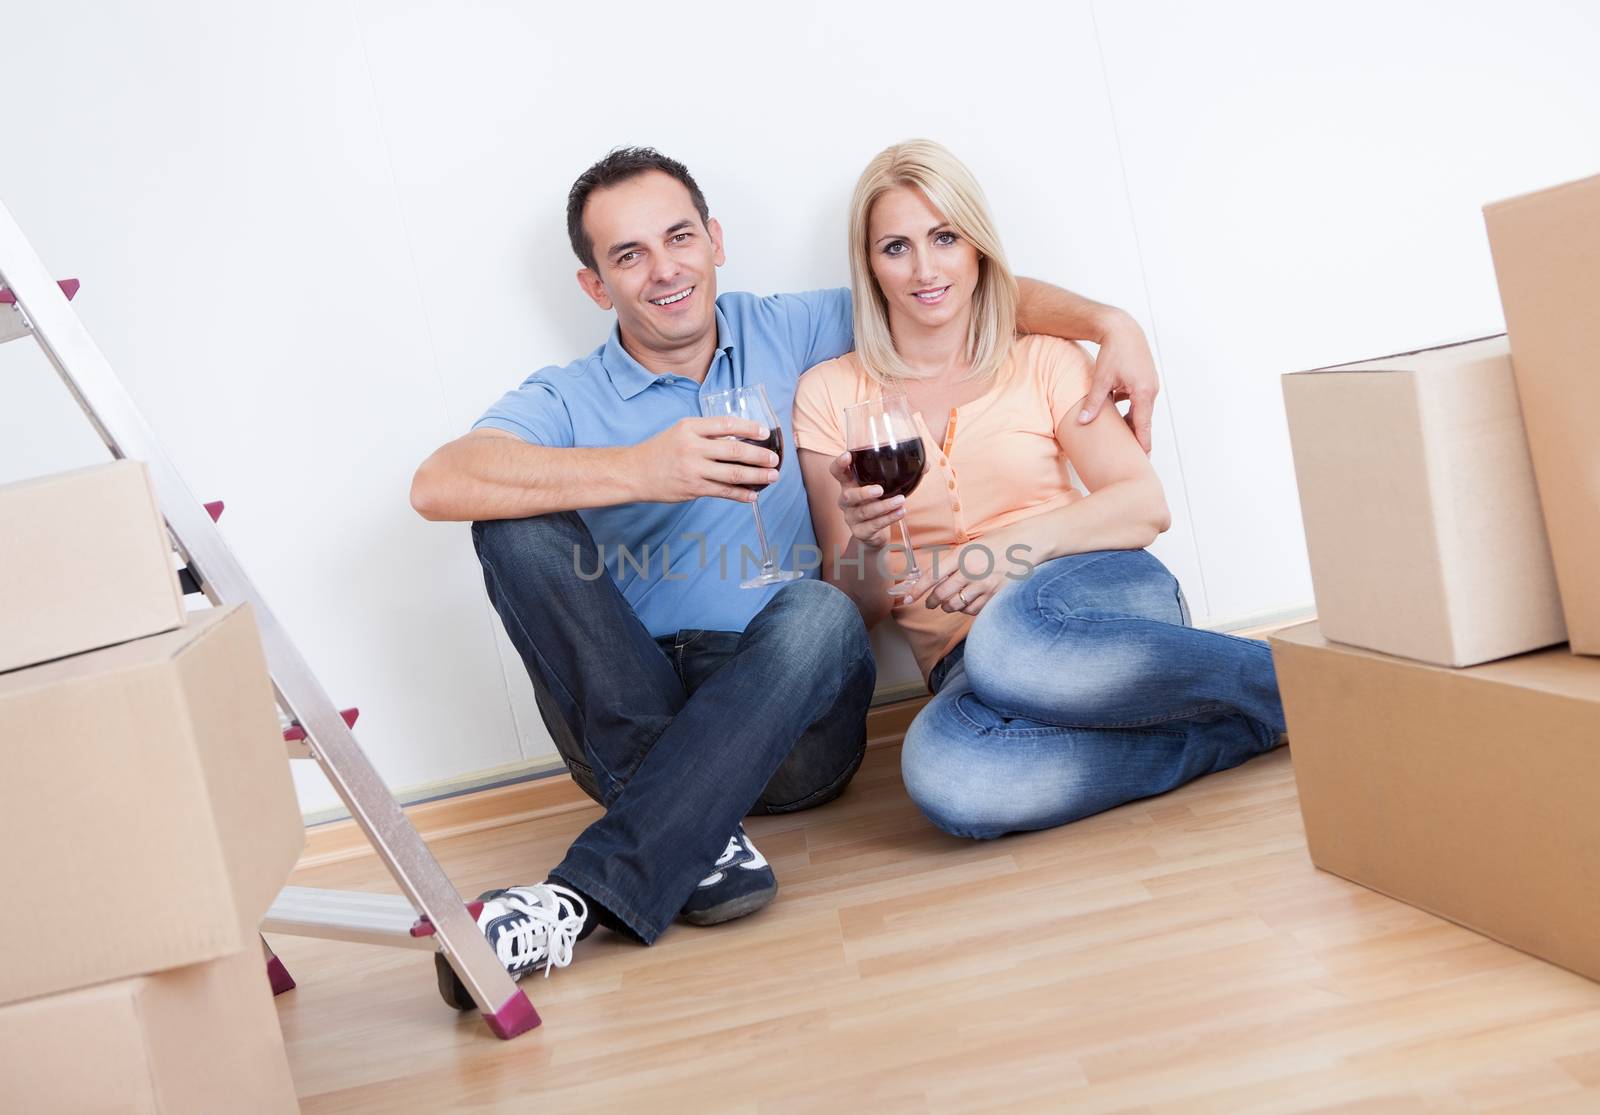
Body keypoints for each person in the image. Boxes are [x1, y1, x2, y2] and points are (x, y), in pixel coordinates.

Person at [409, 145, 1164, 989]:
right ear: (595, 286)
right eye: (629, 255)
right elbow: (438, 482)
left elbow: (949, 290)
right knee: (511, 527)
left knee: (819, 610)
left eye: (679, 237)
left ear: (715, 239)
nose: (665, 271)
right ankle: (702, 829)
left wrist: (1109, 324)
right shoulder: (565, 396)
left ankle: (590, 887)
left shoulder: (795, 329)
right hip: (633, 696)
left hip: (791, 706)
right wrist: (640, 469)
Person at [793, 139, 1286, 841]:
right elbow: (853, 608)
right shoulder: (829, 393)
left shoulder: (1043, 358)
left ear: (978, 248)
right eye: (895, 247)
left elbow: (1144, 504)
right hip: (966, 663)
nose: (925, 269)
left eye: (945, 237)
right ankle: (1241, 729)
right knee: (944, 774)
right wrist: (866, 541)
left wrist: (1003, 552)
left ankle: (1304, 684)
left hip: (1099, 597)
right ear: (868, 264)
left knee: (1012, 641)